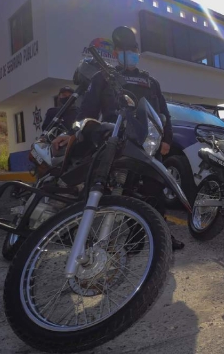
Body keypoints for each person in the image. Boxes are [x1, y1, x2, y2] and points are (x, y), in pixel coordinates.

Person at [52, 26, 183, 250]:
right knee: (101, 188)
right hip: (113, 140)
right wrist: (73, 133)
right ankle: (80, 233)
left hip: (146, 142)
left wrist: (167, 140)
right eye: (124, 49)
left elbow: (164, 114)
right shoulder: (102, 77)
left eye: (133, 49)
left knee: (153, 191)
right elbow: (87, 111)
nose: (129, 53)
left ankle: (159, 237)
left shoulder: (151, 82)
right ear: (115, 53)